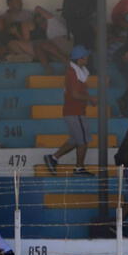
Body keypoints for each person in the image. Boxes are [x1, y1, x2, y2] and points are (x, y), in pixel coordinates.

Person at [43, 45, 98, 176]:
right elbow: (74, 94)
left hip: (75, 111)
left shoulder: (78, 71)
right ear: (80, 59)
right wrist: (90, 98)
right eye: (86, 56)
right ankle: (79, 168)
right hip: (75, 112)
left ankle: (53, 158)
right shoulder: (73, 73)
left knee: (75, 140)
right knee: (83, 141)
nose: (88, 58)